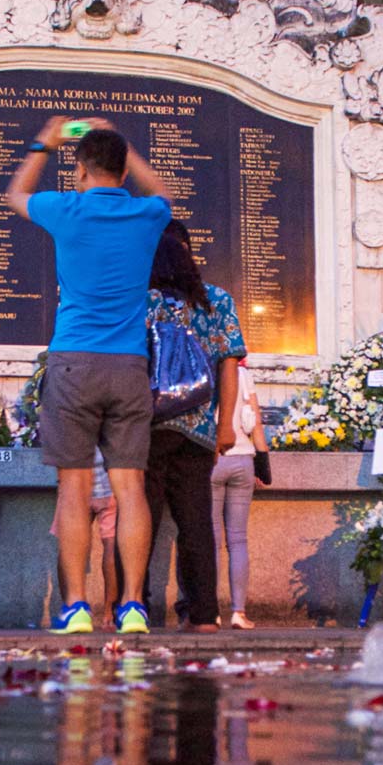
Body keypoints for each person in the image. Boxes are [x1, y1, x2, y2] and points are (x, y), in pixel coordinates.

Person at [6, 116, 173, 636]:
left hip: (74, 361)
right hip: (128, 365)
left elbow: (16, 194)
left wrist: (45, 142)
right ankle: (131, 606)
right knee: (131, 491)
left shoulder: (67, 209)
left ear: (79, 169)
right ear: (123, 171)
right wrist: (123, 144)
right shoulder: (147, 215)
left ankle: (77, 604)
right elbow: (162, 190)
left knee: (74, 491)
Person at [144, 229, 246, 632]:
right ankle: (204, 615)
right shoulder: (215, 300)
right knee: (197, 523)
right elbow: (229, 365)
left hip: (148, 426)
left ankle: (132, 608)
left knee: (141, 520)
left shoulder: (140, 299)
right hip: (199, 429)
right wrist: (225, 427)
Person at [212, 357, 270, 629]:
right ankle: (239, 612)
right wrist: (263, 464)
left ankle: (208, 610)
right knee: (238, 541)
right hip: (244, 459)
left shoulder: (202, 369)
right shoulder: (243, 374)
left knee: (208, 540)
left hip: (212, 460)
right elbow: (255, 422)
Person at [48, 447, 121, 628]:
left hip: (77, 482)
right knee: (111, 545)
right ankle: (109, 614)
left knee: (69, 546)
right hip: (111, 482)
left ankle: (72, 607)